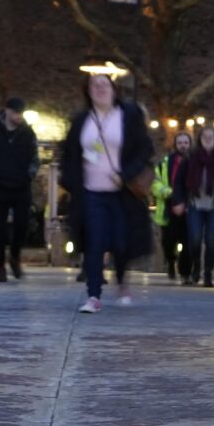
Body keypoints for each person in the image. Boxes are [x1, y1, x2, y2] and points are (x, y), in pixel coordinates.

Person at [57, 70, 151, 313]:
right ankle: (93, 295)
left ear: (113, 90)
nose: (99, 88)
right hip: (91, 192)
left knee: (121, 242)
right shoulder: (81, 120)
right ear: (88, 92)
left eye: (104, 84)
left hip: (122, 192)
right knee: (94, 241)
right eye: (94, 85)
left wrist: (126, 174)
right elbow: (68, 153)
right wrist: (71, 182)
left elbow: (144, 150)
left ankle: (122, 283)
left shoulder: (128, 115)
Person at [0, 97, 39, 281]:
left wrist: (30, 173)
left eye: (20, 113)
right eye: (15, 113)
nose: (18, 117)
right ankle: (0, 265)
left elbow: (35, 156)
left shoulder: (27, 132)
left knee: (22, 224)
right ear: (7, 111)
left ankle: (14, 256)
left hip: (21, 184)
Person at [170, 124, 214, 287]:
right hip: (195, 204)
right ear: (200, 139)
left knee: (211, 240)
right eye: (204, 137)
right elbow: (179, 181)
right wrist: (178, 200)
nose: (207, 140)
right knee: (194, 240)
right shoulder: (191, 156)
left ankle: (207, 273)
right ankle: (196, 266)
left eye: (210, 137)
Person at [158, 130, 192, 281]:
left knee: (187, 241)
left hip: (189, 207)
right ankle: (171, 260)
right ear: (175, 145)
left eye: (186, 143)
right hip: (169, 206)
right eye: (180, 143)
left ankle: (185, 273)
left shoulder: (194, 161)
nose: (183, 146)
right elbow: (156, 181)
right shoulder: (166, 162)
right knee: (168, 241)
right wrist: (167, 192)